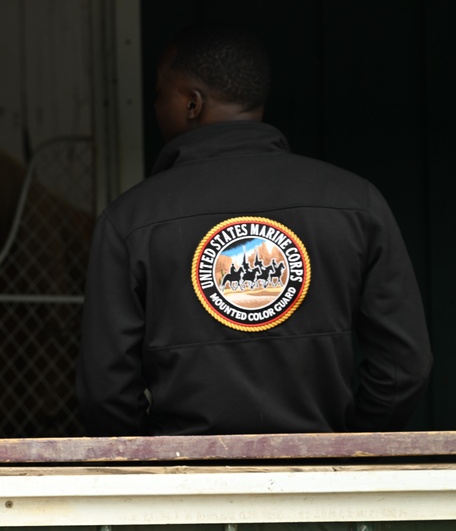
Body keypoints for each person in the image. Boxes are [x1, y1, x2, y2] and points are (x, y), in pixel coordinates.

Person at [76, 23, 433, 436]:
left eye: (160, 94)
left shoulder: (130, 220)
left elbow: (104, 392)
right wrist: (345, 446)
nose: (155, 106)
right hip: (323, 484)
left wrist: (154, 465)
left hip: (179, 489)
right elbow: (404, 366)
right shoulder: (357, 204)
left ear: (192, 104)